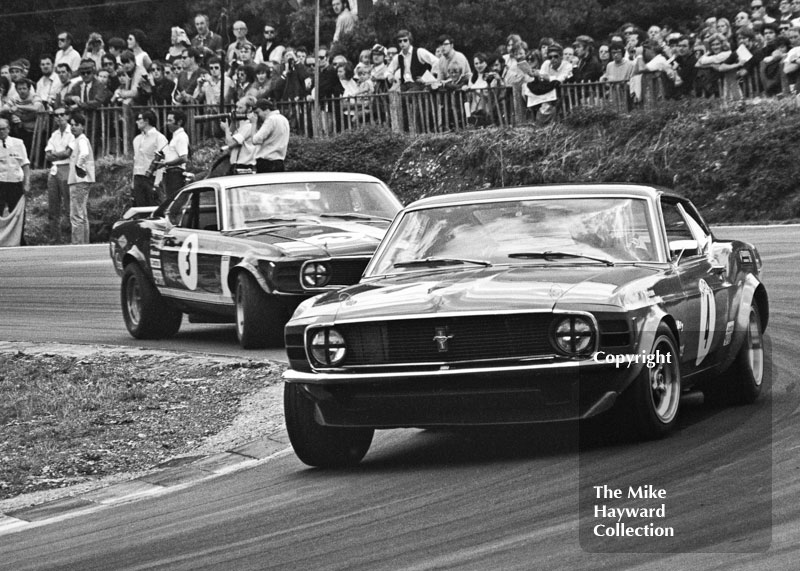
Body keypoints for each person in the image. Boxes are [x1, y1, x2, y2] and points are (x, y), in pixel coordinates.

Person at [44, 107, 74, 243]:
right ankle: (55, 238)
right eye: (56, 115)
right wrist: (58, 154)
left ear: (67, 116)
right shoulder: (55, 134)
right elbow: (47, 156)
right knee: (53, 207)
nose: (59, 117)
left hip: (67, 168)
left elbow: (68, 153)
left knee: (68, 205)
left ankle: (69, 238)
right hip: (55, 170)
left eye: (62, 115)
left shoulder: (71, 132)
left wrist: (55, 154)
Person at [0, 117, 31, 247]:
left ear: (8, 129)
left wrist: (27, 182)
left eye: (3, 129)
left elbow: (25, 164)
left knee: (18, 214)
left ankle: (18, 239)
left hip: (15, 182)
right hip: (0, 182)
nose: (1, 131)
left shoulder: (18, 143)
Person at [67, 112, 94, 244]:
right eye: (71, 125)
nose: (73, 127)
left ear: (82, 126)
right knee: (81, 213)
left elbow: (84, 153)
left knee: (76, 213)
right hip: (81, 179)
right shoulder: (77, 140)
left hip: (79, 180)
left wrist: (78, 165)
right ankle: (83, 243)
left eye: (76, 125)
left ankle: (77, 243)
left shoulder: (82, 140)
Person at [132, 109, 168, 206]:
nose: (136, 122)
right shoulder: (137, 139)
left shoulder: (159, 138)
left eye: (139, 119)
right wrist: (133, 182)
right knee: (140, 207)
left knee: (154, 206)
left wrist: (157, 183)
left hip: (152, 177)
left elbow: (163, 160)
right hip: (138, 178)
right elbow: (136, 161)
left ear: (147, 120)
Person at [220, 96, 257, 174]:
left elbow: (230, 143)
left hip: (245, 167)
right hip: (237, 165)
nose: (237, 110)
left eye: (240, 108)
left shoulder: (249, 126)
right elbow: (229, 137)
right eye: (237, 107)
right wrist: (233, 122)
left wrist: (226, 129)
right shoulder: (242, 124)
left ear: (249, 109)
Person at [251, 98, 289, 173]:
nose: (258, 116)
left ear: (266, 110)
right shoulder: (283, 119)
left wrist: (254, 123)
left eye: (258, 112)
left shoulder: (270, 120)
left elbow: (255, 140)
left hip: (266, 162)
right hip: (279, 161)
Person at [160, 110, 190, 201]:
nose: (167, 123)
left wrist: (166, 163)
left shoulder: (181, 137)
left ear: (179, 122)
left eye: (170, 121)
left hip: (176, 173)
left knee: (174, 201)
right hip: (170, 173)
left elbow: (184, 158)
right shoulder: (175, 136)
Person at [8, 79, 43, 156]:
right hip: (21, 127)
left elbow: (36, 107)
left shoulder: (35, 96)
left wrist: (18, 106)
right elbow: (5, 108)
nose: (22, 91)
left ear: (29, 89)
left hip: (36, 129)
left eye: (24, 88)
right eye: (19, 89)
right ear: (16, 90)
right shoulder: (15, 98)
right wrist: (12, 115)